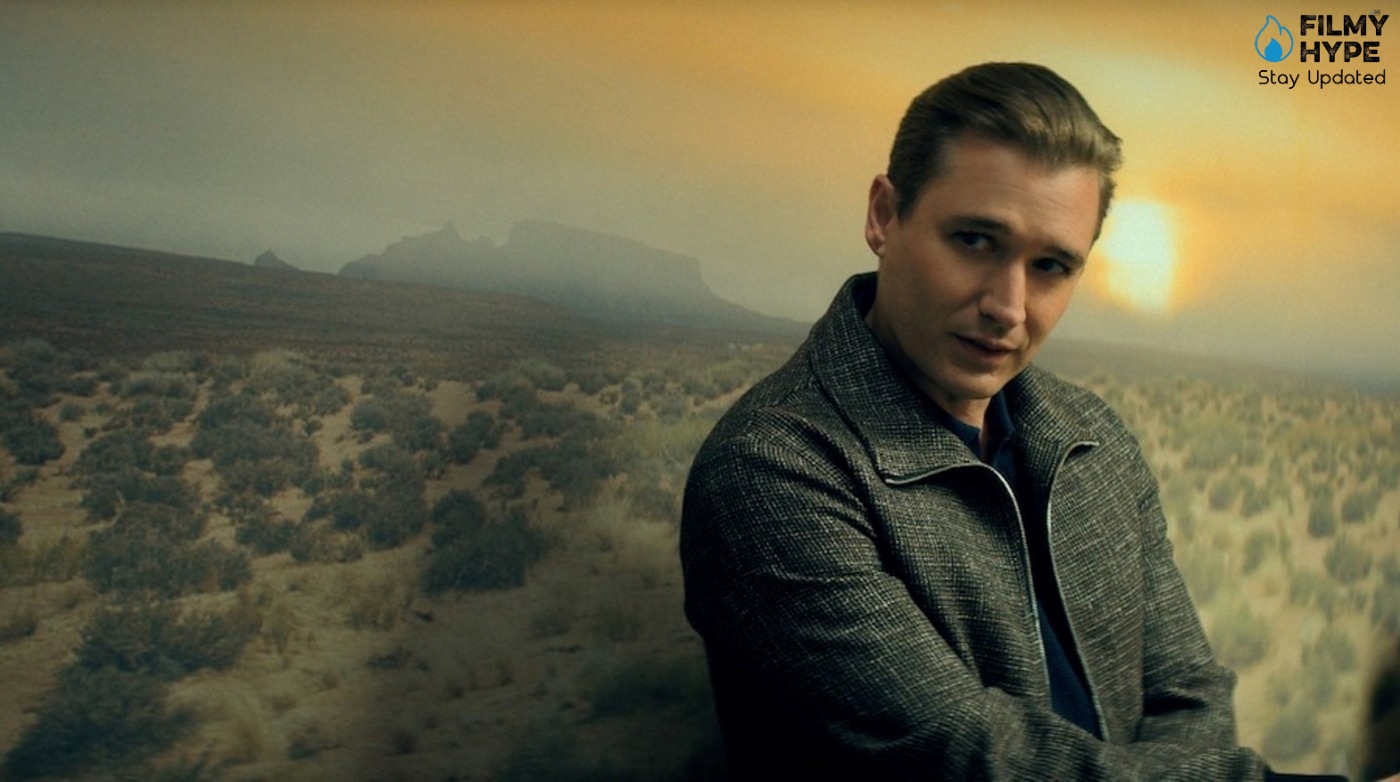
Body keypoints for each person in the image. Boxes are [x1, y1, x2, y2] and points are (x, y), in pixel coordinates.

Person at [680, 62, 1355, 781]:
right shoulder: (771, 469)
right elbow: (973, 759)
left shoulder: (1090, 435)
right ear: (884, 215)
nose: (1008, 306)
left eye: (1052, 266)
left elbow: (1192, 699)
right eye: (975, 240)